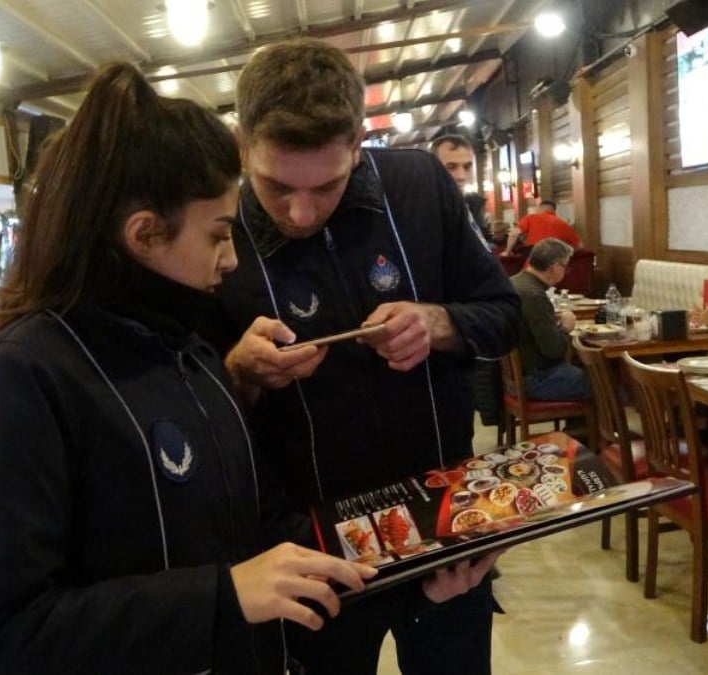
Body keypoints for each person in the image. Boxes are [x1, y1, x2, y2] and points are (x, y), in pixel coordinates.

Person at [0, 62, 375, 675]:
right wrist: (222, 597)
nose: (231, 259)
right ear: (143, 234)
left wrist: (403, 559)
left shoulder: (189, 355)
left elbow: (256, 524)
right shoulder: (18, 382)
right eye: (220, 234)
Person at [205, 38, 521, 675]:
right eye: (274, 185)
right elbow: (187, 412)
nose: (300, 211)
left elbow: (504, 316)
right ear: (243, 145)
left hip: (444, 533)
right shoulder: (215, 225)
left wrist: (439, 322)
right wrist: (238, 372)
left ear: (357, 143)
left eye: (326, 186)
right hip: (305, 550)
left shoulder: (417, 184)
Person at [509, 239, 591, 401]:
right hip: (538, 378)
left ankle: (578, 425)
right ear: (554, 266)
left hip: (516, 375)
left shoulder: (514, 282)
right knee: (606, 382)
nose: (566, 271)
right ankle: (610, 426)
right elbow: (553, 350)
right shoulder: (534, 295)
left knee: (586, 371)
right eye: (565, 266)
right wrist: (566, 327)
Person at [430, 133, 492, 248]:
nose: (461, 176)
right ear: (432, 168)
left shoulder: (473, 207)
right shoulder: (418, 212)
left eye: (467, 167)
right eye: (451, 167)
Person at [514, 199, 582, 248]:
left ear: (540, 208)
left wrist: (507, 252)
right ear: (554, 210)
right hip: (555, 261)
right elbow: (579, 245)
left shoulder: (530, 218)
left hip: (535, 260)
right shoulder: (563, 223)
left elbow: (514, 234)